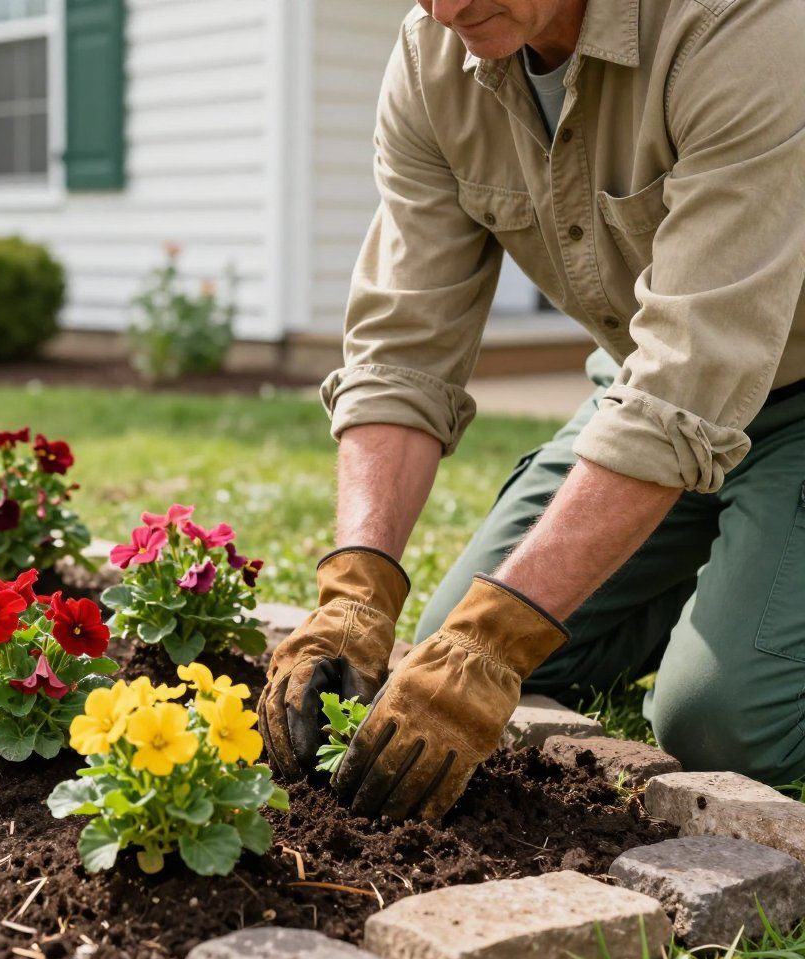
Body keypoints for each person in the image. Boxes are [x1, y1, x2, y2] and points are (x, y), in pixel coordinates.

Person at [258, 0, 805, 821]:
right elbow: (404, 348)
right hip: (643, 395)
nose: (448, 9)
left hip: (777, 395)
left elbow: (696, 366)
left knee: (724, 725)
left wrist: (498, 637)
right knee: (452, 640)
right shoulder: (430, 60)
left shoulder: (739, 24)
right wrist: (356, 590)